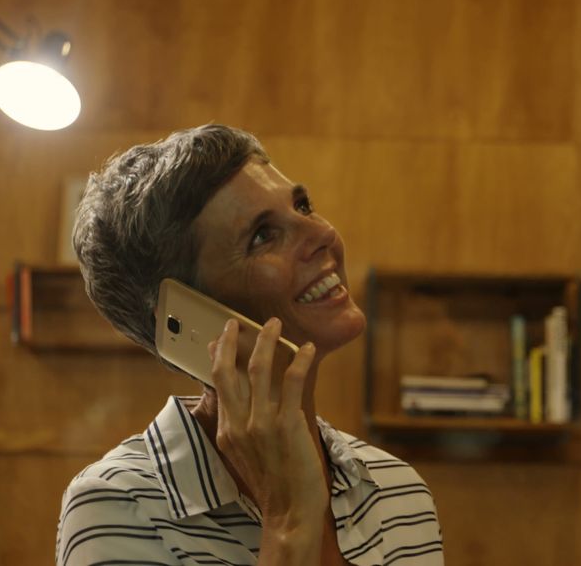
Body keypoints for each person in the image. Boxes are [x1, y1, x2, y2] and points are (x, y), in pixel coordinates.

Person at [56, 124, 444, 566]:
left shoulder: (400, 492)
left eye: (303, 206)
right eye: (263, 235)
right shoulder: (118, 504)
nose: (322, 234)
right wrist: (290, 521)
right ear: (192, 314)